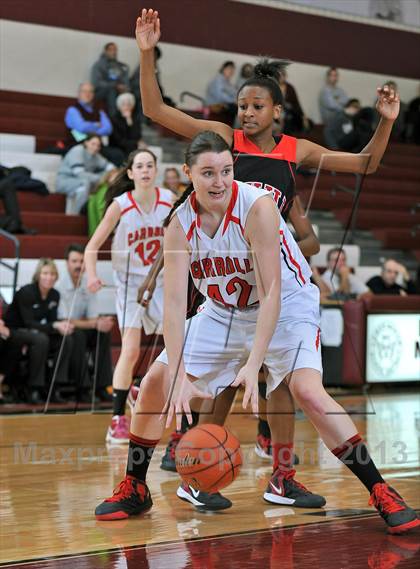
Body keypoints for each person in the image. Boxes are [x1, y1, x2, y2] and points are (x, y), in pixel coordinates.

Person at [94, 129, 420, 535]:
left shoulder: (257, 207)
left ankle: (381, 490)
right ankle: (135, 487)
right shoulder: (179, 224)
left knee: (306, 390)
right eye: (208, 173)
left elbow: (271, 295)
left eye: (226, 171)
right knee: (158, 379)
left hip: (287, 305)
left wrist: (252, 363)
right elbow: (176, 307)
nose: (219, 182)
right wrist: (178, 373)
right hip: (223, 309)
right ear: (187, 174)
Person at [134, 9, 397, 483]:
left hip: (274, 278)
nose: (248, 113)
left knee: (282, 381)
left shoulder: (295, 150)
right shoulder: (224, 143)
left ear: (277, 111)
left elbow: (365, 166)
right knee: (219, 374)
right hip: (225, 276)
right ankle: (194, 448)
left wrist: (385, 123)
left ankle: (282, 470)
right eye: (242, 105)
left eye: (258, 106)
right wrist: (147, 52)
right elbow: (157, 111)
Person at [84, 149, 174, 443]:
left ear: (156, 170)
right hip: (129, 284)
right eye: (140, 166)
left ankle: (144, 390)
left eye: (150, 165)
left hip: (160, 281)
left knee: (177, 345)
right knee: (131, 351)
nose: (145, 170)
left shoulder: (169, 200)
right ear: (132, 173)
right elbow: (92, 247)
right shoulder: (120, 205)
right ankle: (117, 418)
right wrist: (93, 275)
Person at [4, 259, 74, 404]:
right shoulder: (26, 292)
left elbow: (50, 321)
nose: (49, 277)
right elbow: (28, 323)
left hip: (35, 331)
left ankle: (55, 388)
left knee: (66, 339)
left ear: (56, 276)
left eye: (52, 274)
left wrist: (62, 326)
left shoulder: (54, 295)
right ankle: (34, 388)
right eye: (45, 273)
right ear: (38, 275)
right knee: (41, 339)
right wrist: (55, 325)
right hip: (14, 330)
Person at [56, 244, 114, 402]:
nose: (78, 265)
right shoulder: (59, 286)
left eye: (82, 261)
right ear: (67, 263)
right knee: (79, 335)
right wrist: (95, 323)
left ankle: (103, 386)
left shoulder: (88, 284)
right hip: (63, 330)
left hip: (82, 326)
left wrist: (101, 323)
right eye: (74, 261)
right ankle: (84, 388)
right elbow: (64, 320)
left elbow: (93, 317)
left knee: (103, 333)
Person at [56, 135, 114, 214]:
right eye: (93, 144)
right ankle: (77, 215)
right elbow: (80, 174)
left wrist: (111, 175)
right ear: (86, 143)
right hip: (65, 181)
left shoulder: (95, 155)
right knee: (85, 184)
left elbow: (111, 168)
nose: (95, 147)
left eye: (98, 145)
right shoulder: (77, 150)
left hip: (81, 181)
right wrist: (102, 178)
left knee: (103, 178)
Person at [91, 42, 130, 114]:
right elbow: (96, 83)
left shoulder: (120, 66)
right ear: (105, 51)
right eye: (110, 50)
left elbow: (125, 82)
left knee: (130, 95)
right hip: (100, 92)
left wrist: (124, 88)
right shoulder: (98, 65)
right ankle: (113, 116)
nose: (113, 52)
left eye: (115, 50)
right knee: (111, 91)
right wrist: (114, 85)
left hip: (118, 92)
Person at [87, 168, 121, 237]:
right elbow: (102, 210)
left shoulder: (104, 189)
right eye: (115, 177)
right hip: (99, 230)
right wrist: (110, 229)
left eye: (119, 178)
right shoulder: (104, 190)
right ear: (108, 178)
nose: (117, 180)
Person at [279, 68, 310, 135]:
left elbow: (296, 103)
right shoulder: (273, 87)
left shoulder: (290, 88)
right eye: (279, 75)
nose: (281, 77)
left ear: (285, 76)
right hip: (277, 112)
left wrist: (303, 116)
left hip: (289, 114)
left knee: (306, 122)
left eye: (283, 75)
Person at [205, 61, 237, 126]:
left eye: (232, 70)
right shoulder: (218, 79)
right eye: (229, 69)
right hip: (215, 105)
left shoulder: (227, 82)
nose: (231, 71)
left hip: (224, 105)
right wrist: (234, 101)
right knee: (235, 109)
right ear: (223, 69)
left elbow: (234, 93)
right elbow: (220, 96)